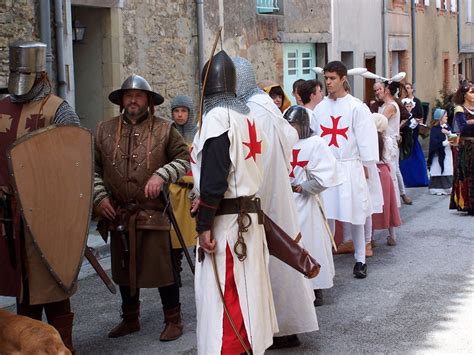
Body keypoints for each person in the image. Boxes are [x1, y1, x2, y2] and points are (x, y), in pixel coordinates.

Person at [192, 50, 277, 355]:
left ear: (205, 85)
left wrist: (203, 226)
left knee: (228, 296)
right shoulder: (247, 116)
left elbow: (214, 181)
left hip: (227, 226)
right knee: (246, 293)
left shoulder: (218, 119)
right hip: (247, 220)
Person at [94, 74, 190, 340]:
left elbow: (184, 159)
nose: (133, 100)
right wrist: (100, 197)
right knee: (124, 270)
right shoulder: (104, 130)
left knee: (164, 269)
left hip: (152, 211)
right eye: (128, 95)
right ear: (121, 100)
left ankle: (174, 319)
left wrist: (161, 174)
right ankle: (130, 319)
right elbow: (93, 169)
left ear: (148, 101)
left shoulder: (165, 128)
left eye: (138, 96)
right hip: (118, 212)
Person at [232, 56, 318, 349]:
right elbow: (290, 137)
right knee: (283, 254)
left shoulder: (255, 111)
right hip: (278, 194)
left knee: (272, 259)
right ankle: (286, 325)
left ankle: (277, 328)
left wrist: (247, 196)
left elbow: (257, 160)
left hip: (265, 196)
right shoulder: (266, 105)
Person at [0, 41, 80, 352]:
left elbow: (75, 165)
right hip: (8, 217)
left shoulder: (57, 110)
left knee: (55, 285)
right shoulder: (2, 107)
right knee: (22, 289)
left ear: (41, 74)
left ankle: (64, 348)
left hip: (49, 216)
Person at [311, 61, 379, 279]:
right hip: (328, 168)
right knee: (326, 214)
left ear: (342, 79)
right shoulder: (320, 108)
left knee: (355, 213)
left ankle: (360, 259)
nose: (328, 82)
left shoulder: (356, 107)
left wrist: (368, 166)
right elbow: (314, 139)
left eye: (332, 78)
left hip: (351, 166)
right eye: (326, 78)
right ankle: (325, 261)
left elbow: (366, 139)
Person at [284, 105, 343, 305]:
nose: (291, 129)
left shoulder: (316, 143)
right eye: (288, 124)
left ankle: (316, 287)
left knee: (312, 243)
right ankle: (295, 287)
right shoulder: (282, 142)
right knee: (289, 245)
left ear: (303, 125)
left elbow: (328, 172)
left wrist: (306, 186)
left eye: (294, 125)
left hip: (307, 202)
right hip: (286, 201)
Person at [169, 95, 197, 282]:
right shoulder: (167, 133)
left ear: (189, 113)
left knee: (199, 234)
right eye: (176, 111)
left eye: (183, 111)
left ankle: (203, 272)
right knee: (174, 237)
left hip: (195, 192)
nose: (179, 115)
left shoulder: (198, 134)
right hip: (175, 192)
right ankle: (175, 272)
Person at [374, 80, 413, 205]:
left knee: (391, 171)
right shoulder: (384, 105)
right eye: (375, 90)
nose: (377, 93)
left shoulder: (391, 106)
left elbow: (379, 123)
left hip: (388, 142)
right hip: (385, 141)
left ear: (387, 90)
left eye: (380, 89)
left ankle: (393, 202)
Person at [371, 113, 402, 246]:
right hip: (384, 171)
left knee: (372, 204)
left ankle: (370, 238)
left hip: (372, 171)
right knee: (389, 202)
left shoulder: (368, 141)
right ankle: (392, 235)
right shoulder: (387, 140)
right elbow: (390, 157)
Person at [450, 80, 474, 215]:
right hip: (468, 147)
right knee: (468, 175)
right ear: (465, 94)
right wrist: (469, 123)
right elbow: (463, 128)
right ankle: (469, 205)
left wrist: (470, 121)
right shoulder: (460, 109)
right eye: (472, 92)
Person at [399, 98, 429, 187]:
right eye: (406, 106)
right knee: (406, 162)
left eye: (410, 106)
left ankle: (419, 179)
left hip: (414, 142)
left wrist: (419, 124)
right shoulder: (403, 117)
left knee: (418, 161)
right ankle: (407, 180)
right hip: (406, 143)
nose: (408, 108)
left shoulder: (414, 117)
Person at [428, 108, 454, 195]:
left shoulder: (447, 126)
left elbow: (454, 138)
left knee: (447, 169)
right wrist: (445, 143)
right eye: (445, 116)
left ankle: (447, 188)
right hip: (438, 155)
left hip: (447, 153)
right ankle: (436, 188)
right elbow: (434, 143)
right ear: (440, 117)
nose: (446, 117)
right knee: (437, 170)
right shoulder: (435, 129)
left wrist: (448, 134)